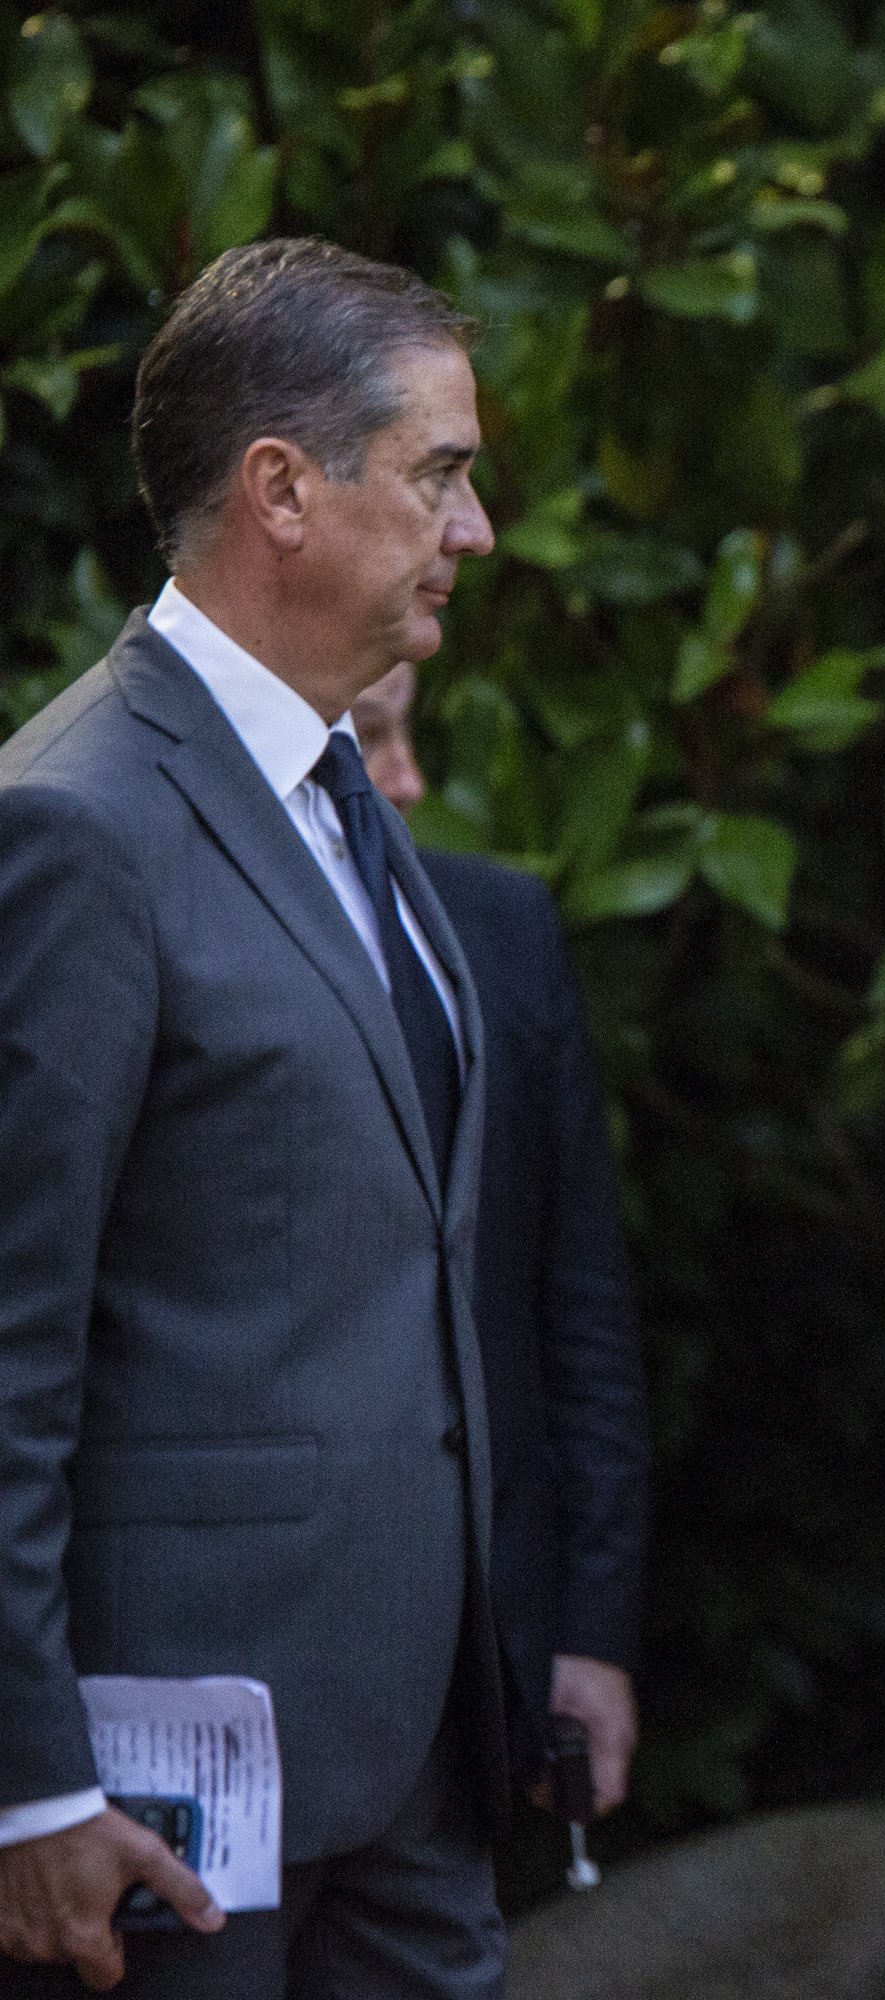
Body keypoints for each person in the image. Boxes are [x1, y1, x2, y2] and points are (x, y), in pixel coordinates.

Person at [0, 238, 509, 1996]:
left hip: (410, 1760)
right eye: (442, 475)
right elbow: (9, 1343)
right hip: (163, 1819)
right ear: (281, 490)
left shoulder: (329, 790)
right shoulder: (75, 826)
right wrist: (29, 1785)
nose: (475, 531)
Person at [351, 668, 648, 1827]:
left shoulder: (501, 925)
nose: (411, 778)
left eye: (410, 729)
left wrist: (592, 1623)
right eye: (372, 737)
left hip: (483, 1661)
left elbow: (577, 1308)